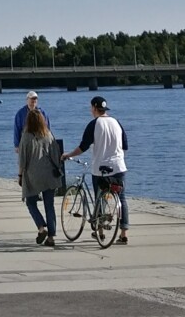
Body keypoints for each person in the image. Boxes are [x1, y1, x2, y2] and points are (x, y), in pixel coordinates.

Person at [61, 96, 129, 245]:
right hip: (119, 167)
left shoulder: (94, 124)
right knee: (121, 199)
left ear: (93, 108)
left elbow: (83, 146)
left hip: (100, 168)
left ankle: (100, 232)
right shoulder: (117, 123)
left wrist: (68, 155)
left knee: (100, 197)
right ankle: (123, 233)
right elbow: (125, 146)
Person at [18, 108, 60, 246]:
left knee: (31, 202)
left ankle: (41, 228)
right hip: (49, 176)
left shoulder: (26, 136)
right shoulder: (48, 134)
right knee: (49, 205)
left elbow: (22, 159)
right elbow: (56, 154)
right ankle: (51, 238)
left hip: (33, 175)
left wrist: (20, 174)